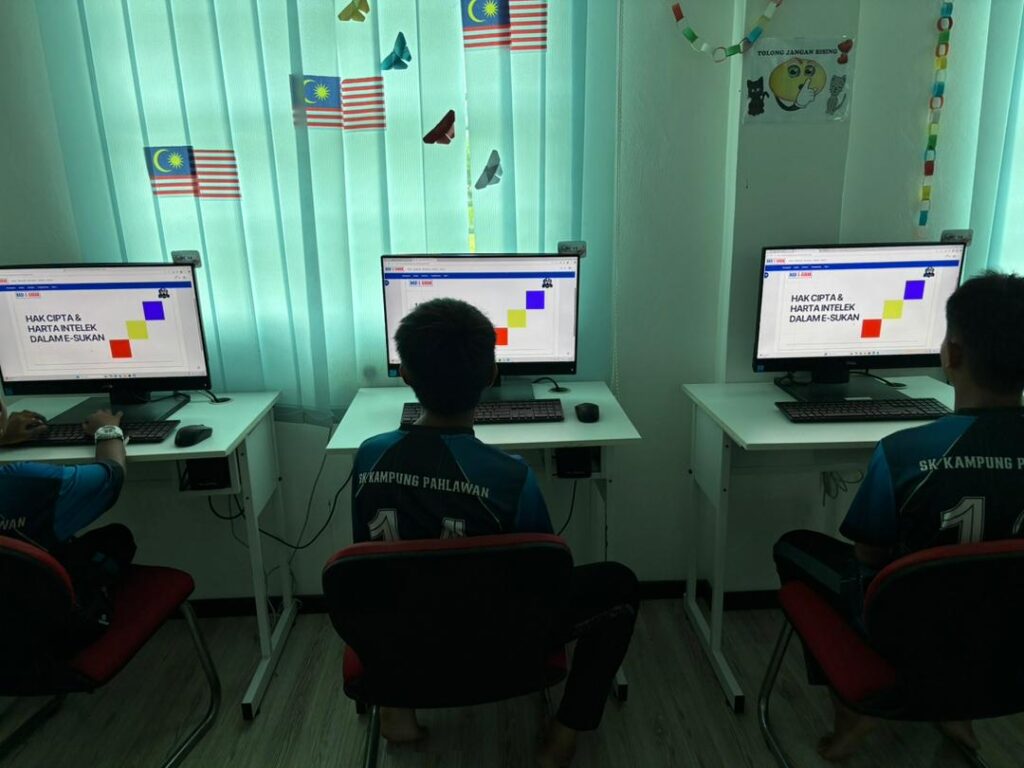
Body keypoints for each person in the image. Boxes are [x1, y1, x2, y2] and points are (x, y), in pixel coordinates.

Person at [351, 298, 639, 768]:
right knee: (619, 585)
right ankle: (564, 735)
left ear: (404, 375)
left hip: (401, 638)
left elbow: (366, 563)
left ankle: (397, 710)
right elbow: (547, 577)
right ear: (491, 375)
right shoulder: (511, 477)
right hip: (493, 643)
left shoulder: (368, 457)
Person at [773, 272, 1024, 761]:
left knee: (794, 548)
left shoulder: (904, 453)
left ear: (951, 354)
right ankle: (958, 708)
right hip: (1009, 646)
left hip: (911, 635)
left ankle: (856, 707)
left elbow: (869, 555)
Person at [0, 402, 135, 648]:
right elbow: (113, 474)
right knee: (117, 539)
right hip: (54, 630)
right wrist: (107, 430)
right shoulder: (26, 481)